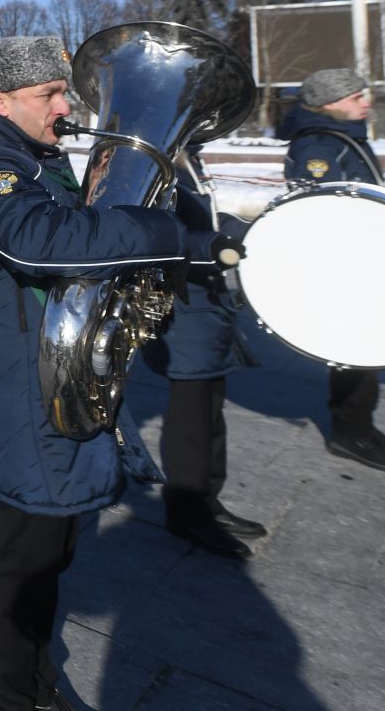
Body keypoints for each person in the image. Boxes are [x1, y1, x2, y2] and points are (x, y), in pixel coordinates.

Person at [0, 36, 222, 711]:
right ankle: (6, 697)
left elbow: (91, 230)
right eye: (48, 93)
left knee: (56, 537)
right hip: (22, 382)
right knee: (29, 548)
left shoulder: (28, 154)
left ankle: (34, 675)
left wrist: (198, 243)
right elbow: (35, 241)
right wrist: (159, 238)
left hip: (48, 369)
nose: (65, 104)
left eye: (62, 90)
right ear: (1, 101)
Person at [280, 67, 385, 474]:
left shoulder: (343, 136)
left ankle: (364, 427)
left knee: (368, 350)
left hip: (364, 258)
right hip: (344, 265)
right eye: (358, 96)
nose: (367, 101)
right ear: (330, 103)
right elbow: (321, 211)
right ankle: (349, 433)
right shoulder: (319, 145)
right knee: (354, 351)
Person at [143, 149, 267, 559]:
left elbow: (205, 221)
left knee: (210, 411)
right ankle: (187, 513)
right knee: (191, 420)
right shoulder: (147, 157)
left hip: (203, 304)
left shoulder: (184, 159)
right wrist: (211, 246)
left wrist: (252, 229)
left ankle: (207, 500)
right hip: (181, 309)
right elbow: (147, 231)